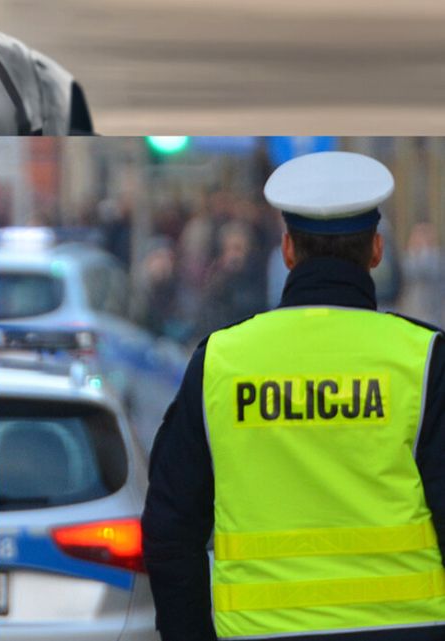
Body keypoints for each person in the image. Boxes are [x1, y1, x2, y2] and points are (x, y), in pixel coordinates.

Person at [142, 151, 445, 640]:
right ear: (376, 250)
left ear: (286, 249)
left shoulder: (221, 361)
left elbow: (170, 531)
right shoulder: (424, 359)